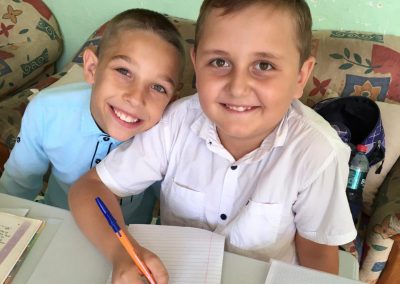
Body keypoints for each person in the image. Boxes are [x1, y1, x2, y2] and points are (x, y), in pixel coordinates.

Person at [68, 0, 357, 283]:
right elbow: (90, 188)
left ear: (300, 77)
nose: (238, 86)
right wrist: (122, 254)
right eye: (219, 62)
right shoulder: (174, 125)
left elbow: (317, 254)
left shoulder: (317, 151)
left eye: (264, 65)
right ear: (196, 65)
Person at [0, 8, 186, 224]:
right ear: (92, 68)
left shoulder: (167, 135)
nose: (136, 98)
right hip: (56, 227)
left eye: (158, 87)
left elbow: (172, 208)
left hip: (131, 241)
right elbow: (16, 188)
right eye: (124, 71)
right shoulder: (47, 110)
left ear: (171, 100)